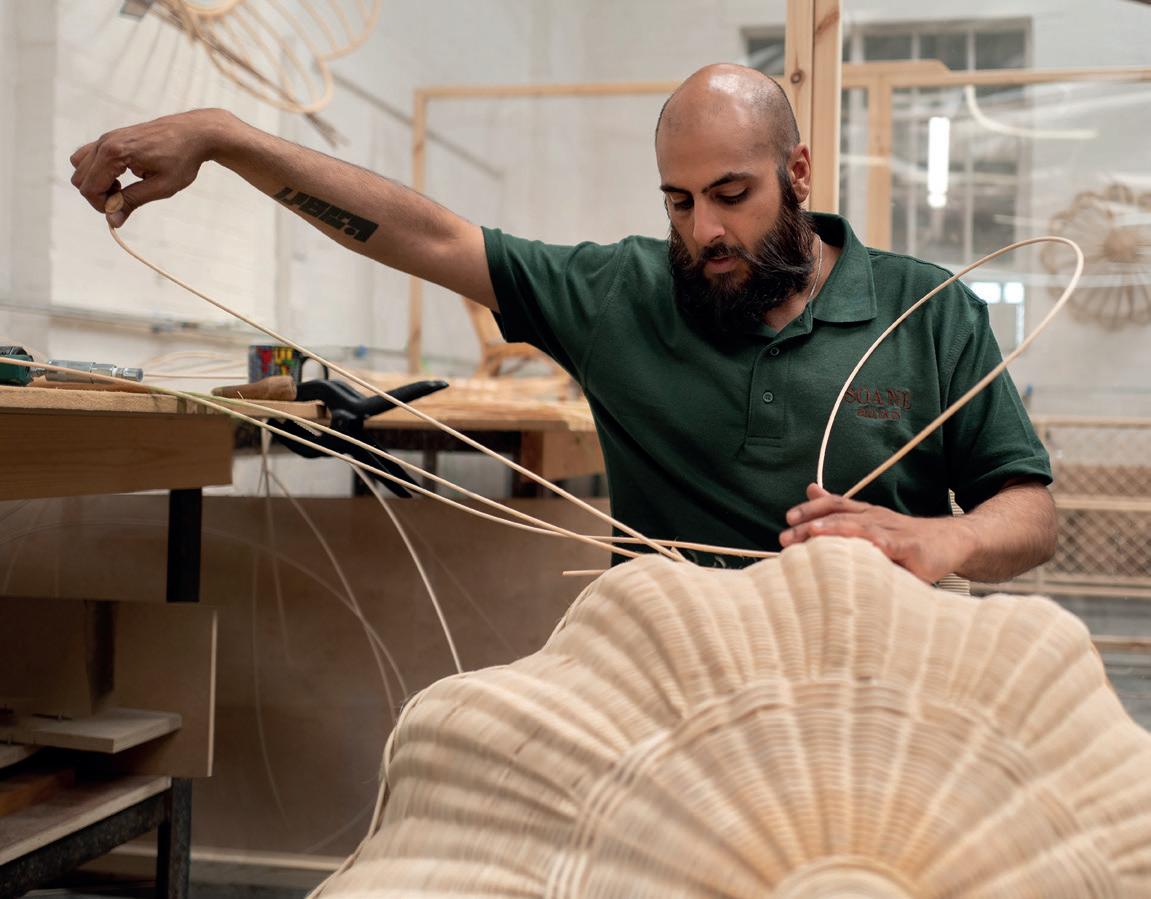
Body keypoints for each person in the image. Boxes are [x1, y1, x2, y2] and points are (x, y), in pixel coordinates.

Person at [69, 63, 1056, 584]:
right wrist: (227, 139)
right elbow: (427, 235)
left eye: (731, 194)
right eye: (678, 202)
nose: (704, 232)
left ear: (796, 174)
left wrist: (943, 540)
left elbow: (1029, 512)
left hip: (870, 679)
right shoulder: (620, 292)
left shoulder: (928, 309)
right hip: (666, 681)